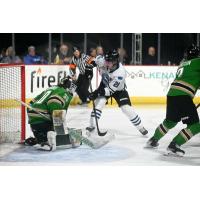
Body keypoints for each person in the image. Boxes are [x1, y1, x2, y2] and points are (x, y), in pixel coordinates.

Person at [146, 44, 200, 156]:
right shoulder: (198, 62)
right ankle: (175, 144)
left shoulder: (183, 64)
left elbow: (193, 80)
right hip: (183, 96)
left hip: (172, 94)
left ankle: (153, 140)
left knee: (170, 122)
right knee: (195, 125)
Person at [86, 49, 148, 136]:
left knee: (126, 109)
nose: (106, 63)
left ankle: (140, 127)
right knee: (99, 103)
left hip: (118, 90)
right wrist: (89, 67)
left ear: (115, 61)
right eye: (106, 61)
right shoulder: (103, 60)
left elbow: (109, 91)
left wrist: (96, 93)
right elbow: (90, 59)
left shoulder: (120, 73)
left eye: (109, 61)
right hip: (104, 85)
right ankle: (92, 125)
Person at [25, 76, 79, 151]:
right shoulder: (63, 92)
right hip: (43, 119)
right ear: (69, 86)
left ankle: (39, 139)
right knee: (56, 131)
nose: (74, 90)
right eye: (73, 87)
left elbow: (30, 104)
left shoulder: (52, 88)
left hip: (34, 118)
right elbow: (53, 102)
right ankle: (46, 140)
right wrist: (59, 123)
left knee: (42, 136)